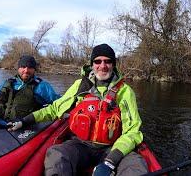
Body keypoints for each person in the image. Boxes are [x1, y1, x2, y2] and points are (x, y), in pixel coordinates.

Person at [8, 44, 148, 175]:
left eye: (107, 61)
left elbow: (132, 131)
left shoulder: (125, 92)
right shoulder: (80, 85)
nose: (102, 66)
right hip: (81, 145)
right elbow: (54, 109)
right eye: (98, 61)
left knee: (137, 166)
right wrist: (25, 121)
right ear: (92, 64)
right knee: (56, 155)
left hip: (112, 147)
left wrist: (110, 161)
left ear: (113, 64)